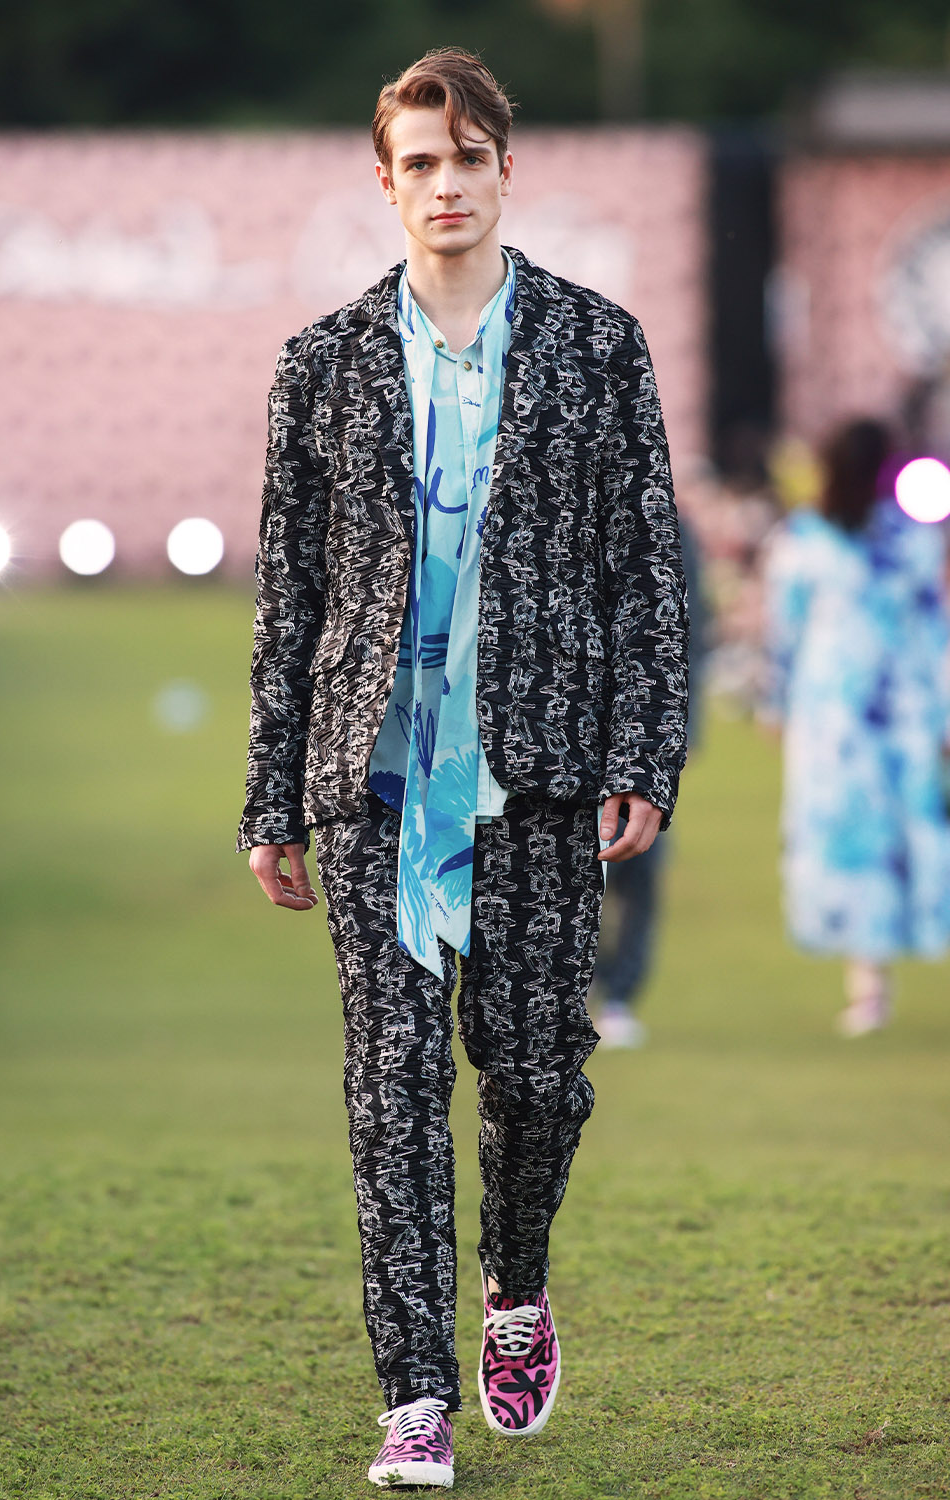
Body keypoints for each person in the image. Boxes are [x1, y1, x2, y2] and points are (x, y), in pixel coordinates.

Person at [237, 49, 688, 1490]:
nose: (446, 183)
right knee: (391, 1089)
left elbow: (645, 571)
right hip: (372, 780)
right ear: (385, 181)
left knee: (540, 1077)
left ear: (506, 170)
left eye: (467, 157)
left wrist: (644, 749)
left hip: (539, 775)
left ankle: (517, 1287)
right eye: (419, 162)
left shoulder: (598, 345)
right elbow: (290, 598)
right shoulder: (319, 365)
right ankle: (415, 1397)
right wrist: (271, 794)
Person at [762, 417, 950, 1037]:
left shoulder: (804, 538)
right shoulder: (912, 538)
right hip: (899, 707)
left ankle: (867, 978)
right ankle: (874, 974)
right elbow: (935, 630)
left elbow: (784, 631)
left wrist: (776, 703)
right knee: (894, 836)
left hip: (835, 712)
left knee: (852, 835)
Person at [594, 512, 709, 1047]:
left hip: (640, 732)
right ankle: (584, 985)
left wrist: (678, 729)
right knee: (573, 868)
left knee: (640, 863)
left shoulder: (666, 522)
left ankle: (619, 992)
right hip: (564, 733)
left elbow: (688, 628)